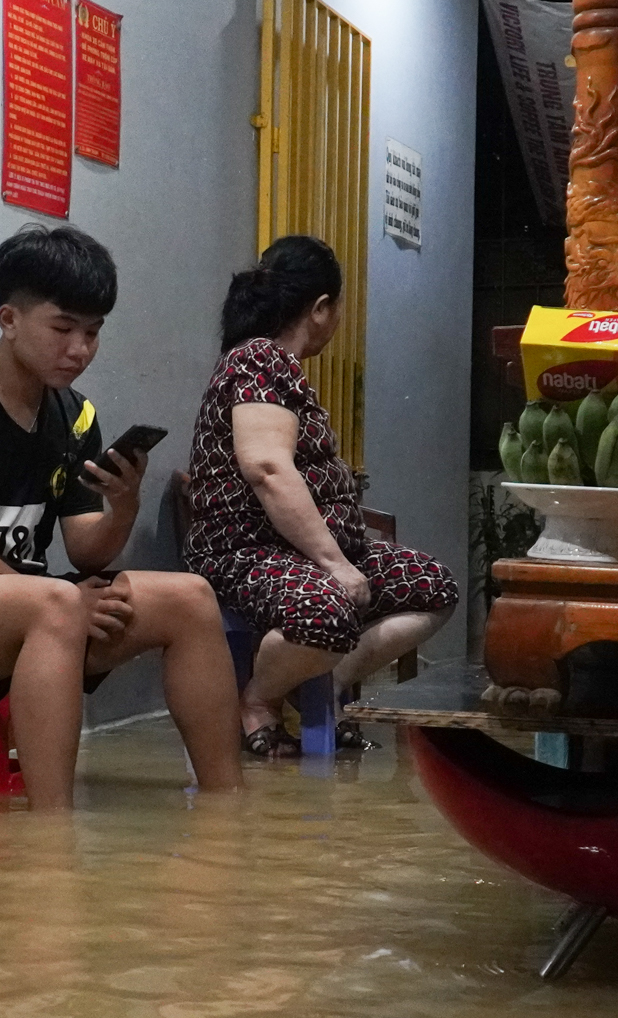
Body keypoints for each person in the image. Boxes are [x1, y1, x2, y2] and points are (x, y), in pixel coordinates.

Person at [0, 224, 244, 810]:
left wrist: (125, 504)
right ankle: (52, 831)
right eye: (62, 329)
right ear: (9, 319)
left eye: (93, 333)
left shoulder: (76, 414)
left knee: (190, 597)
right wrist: (57, 597)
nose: (79, 349)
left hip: (30, 607)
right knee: (60, 602)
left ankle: (227, 802)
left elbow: (88, 551)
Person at [181, 236, 458, 757]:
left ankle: (325, 685)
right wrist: (334, 562)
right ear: (321, 308)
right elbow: (267, 468)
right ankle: (260, 700)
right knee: (324, 615)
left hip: (302, 555)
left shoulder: (274, 363)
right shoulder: (261, 360)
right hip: (249, 553)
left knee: (432, 586)